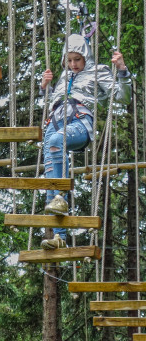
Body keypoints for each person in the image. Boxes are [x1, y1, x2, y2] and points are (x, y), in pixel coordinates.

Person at [39, 33, 131, 249]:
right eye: (69, 60)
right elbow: (53, 101)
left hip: (79, 123)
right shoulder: (64, 76)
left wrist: (123, 70)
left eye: (77, 60)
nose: (73, 65)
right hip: (55, 122)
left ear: (86, 57)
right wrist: (45, 87)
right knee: (50, 181)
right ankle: (59, 237)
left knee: (55, 140)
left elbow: (123, 96)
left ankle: (62, 197)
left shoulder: (98, 72)